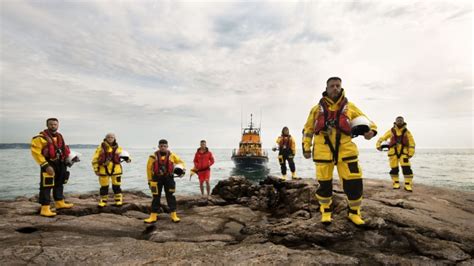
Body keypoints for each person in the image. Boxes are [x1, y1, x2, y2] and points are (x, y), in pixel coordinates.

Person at [302, 77, 377, 225]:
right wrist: (306, 147)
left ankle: (354, 213)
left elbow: (370, 123)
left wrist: (371, 133)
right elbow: (308, 130)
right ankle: (326, 211)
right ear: (327, 88)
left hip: (346, 151)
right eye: (332, 86)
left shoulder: (351, 107)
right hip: (323, 151)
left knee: (354, 183)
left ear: (341, 87)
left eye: (338, 86)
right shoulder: (316, 110)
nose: (335, 88)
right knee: (324, 184)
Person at [31, 118, 74, 217]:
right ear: (47, 125)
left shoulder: (60, 136)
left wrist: (70, 158)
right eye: (51, 124)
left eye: (55, 124)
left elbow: (63, 149)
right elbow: (36, 153)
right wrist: (45, 166)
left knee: (60, 182)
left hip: (61, 163)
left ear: (58, 125)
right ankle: (45, 208)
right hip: (48, 163)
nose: (53, 126)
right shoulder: (39, 138)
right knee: (46, 185)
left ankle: (59, 202)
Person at [144, 139, 186, 223]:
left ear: (167, 147)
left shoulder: (172, 156)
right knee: (156, 197)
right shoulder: (152, 157)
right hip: (156, 179)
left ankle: (174, 215)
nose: (163, 148)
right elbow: (148, 169)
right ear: (158, 147)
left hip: (169, 178)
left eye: (164, 146)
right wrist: (149, 180)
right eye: (161, 146)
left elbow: (181, 163)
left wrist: (182, 170)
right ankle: (153, 216)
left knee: (170, 196)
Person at [376, 116, 415, 191]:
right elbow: (382, 138)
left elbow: (412, 143)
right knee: (394, 169)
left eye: (401, 120)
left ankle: (407, 185)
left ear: (403, 121)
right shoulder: (391, 131)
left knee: (407, 169)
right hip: (393, 153)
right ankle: (396, 183)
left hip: (404, 153)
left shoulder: (407, 132)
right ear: (395, 121)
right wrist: (378, 145)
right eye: (398, 120)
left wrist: (411, 153)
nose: (399, 121)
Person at [91, 133, 131, 207]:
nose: (110, 138)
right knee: (104, 187)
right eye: (108, 137)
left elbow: (126, 157)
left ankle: (118, 200)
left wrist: (128, 159)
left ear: (114, 138)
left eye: (112, 137)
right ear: (105, 138)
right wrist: (96, 169)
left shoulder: (119, 148)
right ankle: (103, 201)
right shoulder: (100, 148)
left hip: (116, 170)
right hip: (103, 170)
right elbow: (95, 159)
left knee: (116, 186)